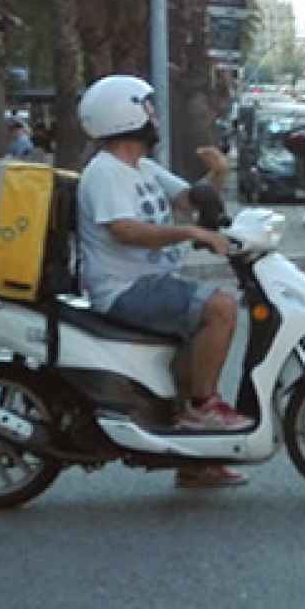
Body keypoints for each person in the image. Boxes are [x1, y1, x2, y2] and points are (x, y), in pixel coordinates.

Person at [75, 74, 251, 489]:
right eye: (149, 109)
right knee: (220, 307)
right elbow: (125, 230)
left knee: (201, 330)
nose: (155, 117)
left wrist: (218, 175)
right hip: (124, 290)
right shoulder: (105, 173)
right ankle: (203, 408)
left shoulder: (143, 168)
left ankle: (195, 457)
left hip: (150, 281)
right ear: (127, 115)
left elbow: (189, 200)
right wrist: (190, 234)